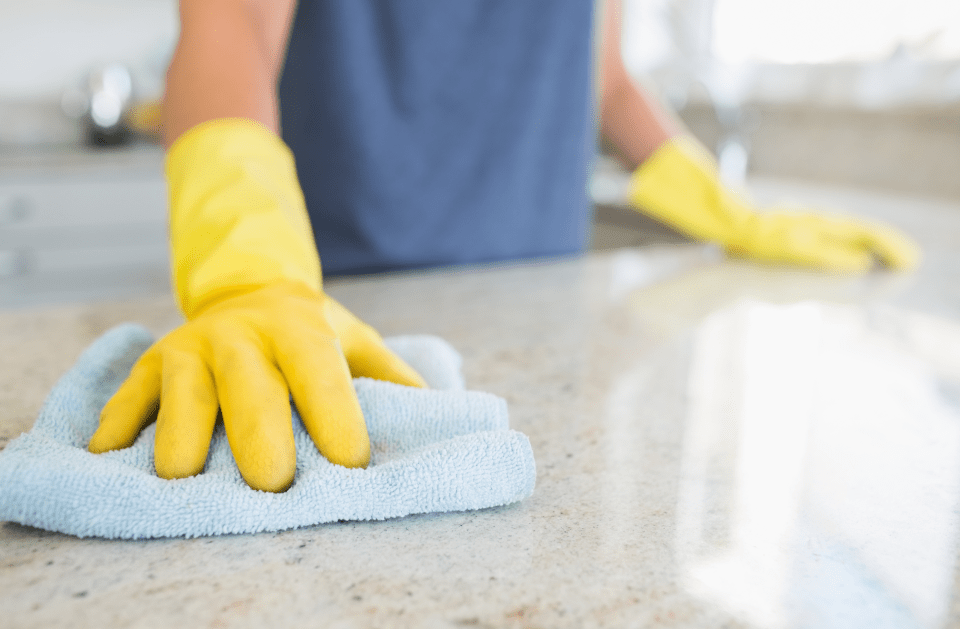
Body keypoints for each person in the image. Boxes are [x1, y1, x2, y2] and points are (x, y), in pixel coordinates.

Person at [88, 0, 919, 492]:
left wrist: (728, 212)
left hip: (548, 304)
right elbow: (230, 24)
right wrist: (249, 267)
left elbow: (605, 77)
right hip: (340, 315)